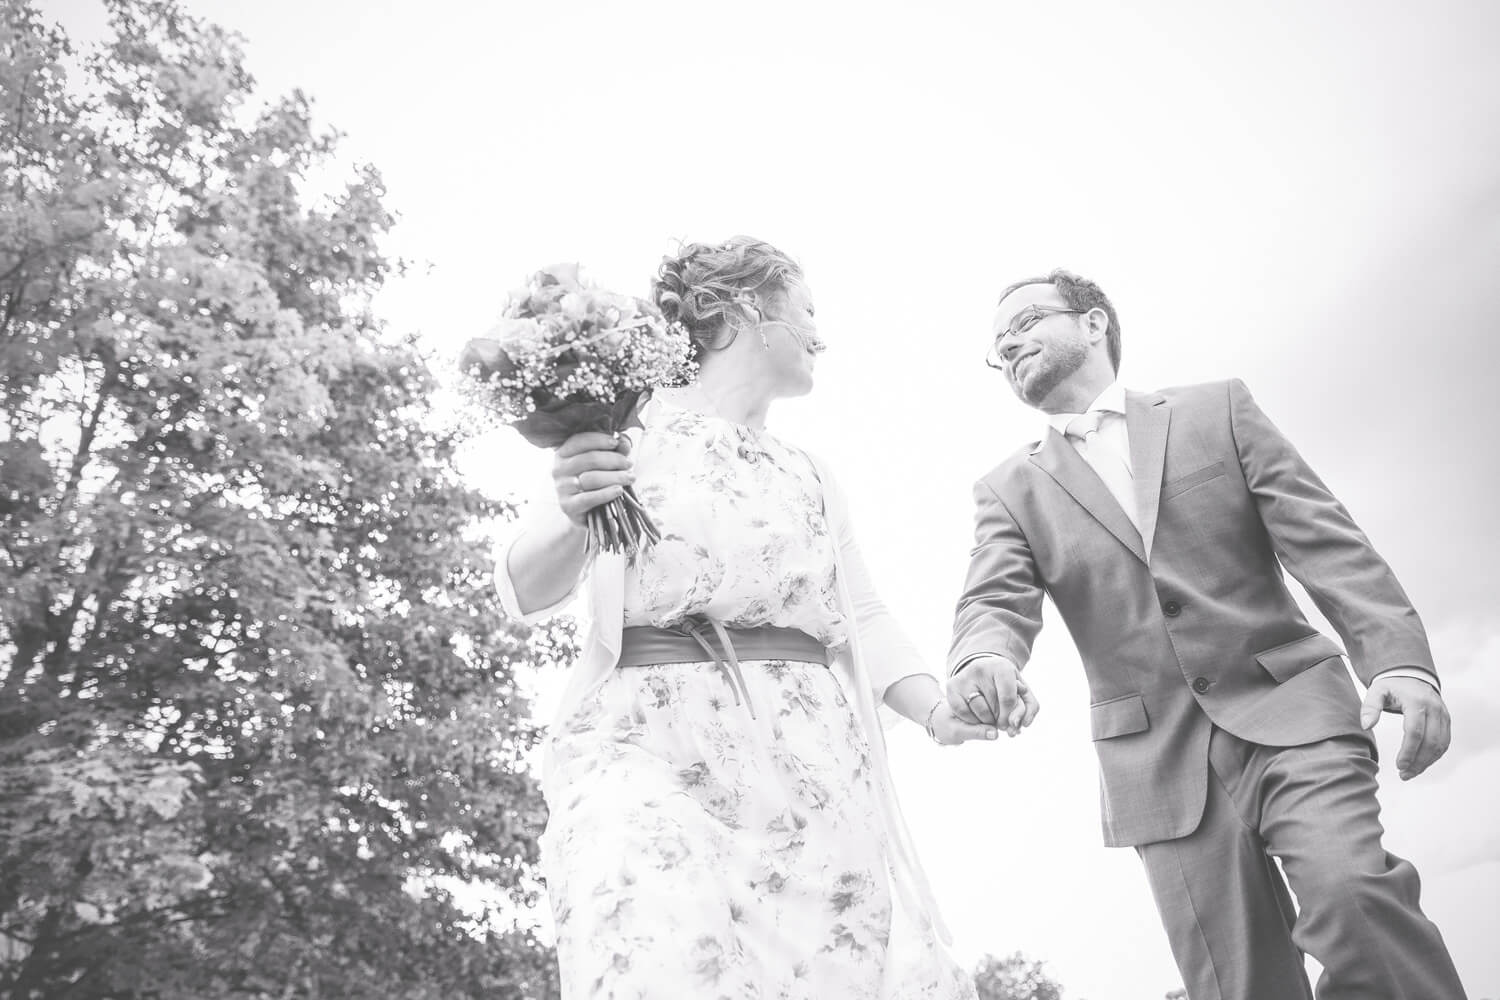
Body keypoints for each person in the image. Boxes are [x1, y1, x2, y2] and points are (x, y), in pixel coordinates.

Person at [946, 269, 1467, 1000]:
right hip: (1156, 763)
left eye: (1028, 321)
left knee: (1354, 899)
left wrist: (1402, 663)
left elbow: (1326, 542)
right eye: (999, 345)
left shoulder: (1216, 410)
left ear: (1094, 323)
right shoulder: (1008, 489)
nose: (1010, 344)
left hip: (1293, 711)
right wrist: (983, 655)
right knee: (1239, 984)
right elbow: (993, 595)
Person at [496, 237, 982, 999]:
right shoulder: (629, 429)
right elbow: (525, 586)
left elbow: (866, 615)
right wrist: (573, 507)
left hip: (809, 773)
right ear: (748, 309)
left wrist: (940, 711)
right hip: (648, 745)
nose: (822, 334)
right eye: (809, 310)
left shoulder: (812, 474)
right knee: (651, 947)